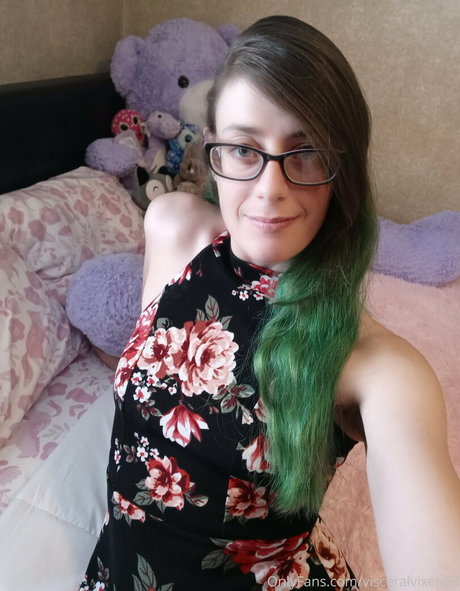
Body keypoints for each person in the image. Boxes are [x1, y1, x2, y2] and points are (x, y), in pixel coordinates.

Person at [79, 15, 460, 591]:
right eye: (243, 149)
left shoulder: (375, 366)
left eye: (306, 152)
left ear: (342, 171)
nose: (270, 188)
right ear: (212, 148)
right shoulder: (173, 227)